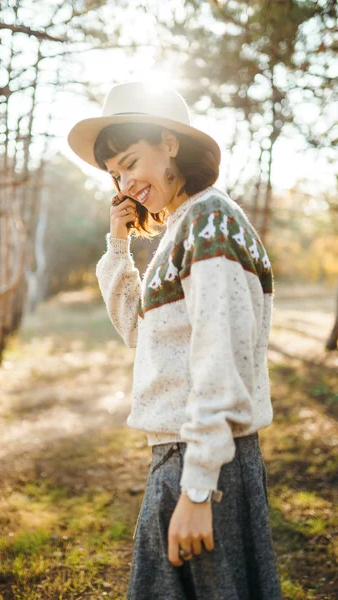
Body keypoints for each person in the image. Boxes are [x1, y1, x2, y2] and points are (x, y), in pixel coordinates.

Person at [67, 81, 283, 600]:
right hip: (178, 458)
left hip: (205, 462)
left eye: (130, 161)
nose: (124, 182)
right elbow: (141, 335)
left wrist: (198, 487)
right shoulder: (183, 228)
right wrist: (118, 245)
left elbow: (220, 358)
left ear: (169, 143)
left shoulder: (211, 221)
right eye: (115, 173)